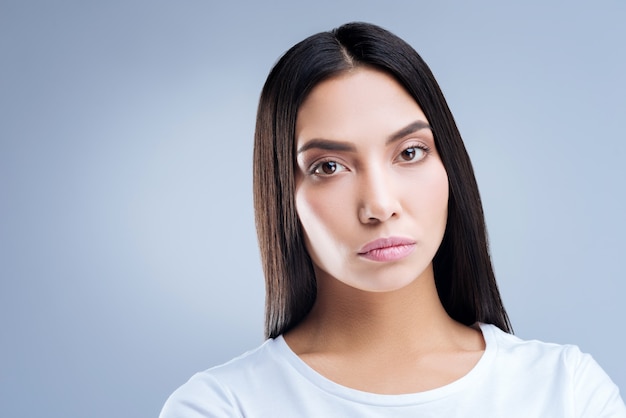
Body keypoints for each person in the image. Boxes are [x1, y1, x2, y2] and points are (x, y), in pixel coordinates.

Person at [160, 22, 625, 417]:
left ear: (450, 167)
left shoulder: (566, 392)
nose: (380, 206)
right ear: (284, 195)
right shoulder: (222, 406)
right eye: (328, 167)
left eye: (410, 152)